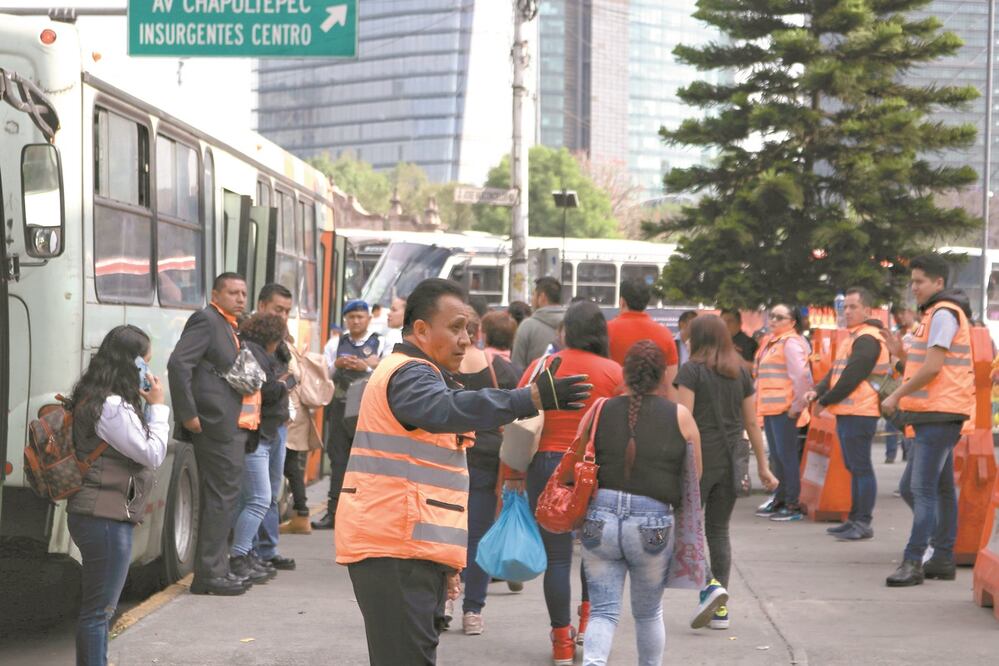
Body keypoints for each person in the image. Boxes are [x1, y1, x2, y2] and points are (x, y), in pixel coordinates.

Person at [334, 278, 591, 665]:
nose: (466, 340)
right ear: (420, 329)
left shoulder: (419, 374)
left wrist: (447, 565)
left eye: (469, 329)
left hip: (408, 551)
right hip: (395, 551)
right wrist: (529, 397)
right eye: (455, 328)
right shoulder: (409, 374)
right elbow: (447, 410)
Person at [511, 300, 624, 665]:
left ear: (565, 331)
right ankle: (589, 632)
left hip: (545, 467)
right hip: (595, 469)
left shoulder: (540, 366)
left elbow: (515, 414)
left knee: (556, 559)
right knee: (594, 555)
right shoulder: (612, 371)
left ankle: (561, 643)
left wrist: (511, 475)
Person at [580, 341, 702, 666]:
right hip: (652, 523)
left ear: (624, 372)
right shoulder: (680, 416)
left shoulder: (600, 410)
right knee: (648, 614)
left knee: (603, 611)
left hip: (599, 520)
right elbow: (695, 476)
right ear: (663, 375)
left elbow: (578, 459)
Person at [67, 325, 169, 666]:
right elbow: (152, 453)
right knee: (99, 612)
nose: (149, 373)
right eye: (145, 364)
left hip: (100, 514)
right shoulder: (111, 406)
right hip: (104, 518)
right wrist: (158, 408)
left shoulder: (100, 396)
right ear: (131, 363)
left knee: (98, 610)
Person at [676, 315, 778, 632]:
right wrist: (763, 466)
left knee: (684, 527)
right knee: (718, 531)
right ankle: (720, 610)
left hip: (699, 461)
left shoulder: (691, 371)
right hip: (733, 460)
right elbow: (751, 424)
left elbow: (684, 419)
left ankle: (710, 588)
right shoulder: (741, 373)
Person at [882, 254, 976, 587]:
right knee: (938, 489)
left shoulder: (944, 314)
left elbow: (934, 368)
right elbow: (934, 363)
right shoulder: (936, 315)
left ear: (939, 283)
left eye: (920, 281)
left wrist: (894, 395)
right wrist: (904, 356)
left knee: (918, 489)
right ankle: (941, 557)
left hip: (939, 413)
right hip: (937, 412)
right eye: (912, 281)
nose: (914, 287)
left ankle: (914, 560)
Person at [168, 272, 251, 596]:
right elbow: (179, 364)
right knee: (221, 498)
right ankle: (210, 574)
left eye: (243, 293)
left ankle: (217, 568)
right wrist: (189, 415)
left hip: (229, 423)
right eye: (233, 292)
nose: (240, 298)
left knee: (225, 498)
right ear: (215, 293)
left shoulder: (229, 324)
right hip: (214, 424)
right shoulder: (206, 320)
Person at [455, 308, 523, 636]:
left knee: (444, 533)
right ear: (477, 330)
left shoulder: (439, 367)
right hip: (485, 460)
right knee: (479, 536)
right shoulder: (500, 369)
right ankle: (473, 611)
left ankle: (443, 602)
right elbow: (518, 414)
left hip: (447, 458)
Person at [805, 288, 890, 541]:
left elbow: (852, 377)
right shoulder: (853, 337)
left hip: (860, 411)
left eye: (853, 307)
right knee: (854, 466)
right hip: (849, 410)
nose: (848, 311)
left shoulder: (867, 338)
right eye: (846, 307)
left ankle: (863, 522)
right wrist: (818, 391)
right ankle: (854, 518)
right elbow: (835, 373)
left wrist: (824, 401)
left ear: (867, 310)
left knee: (861, 467)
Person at [230, 312, 290, 583]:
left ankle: (247, 553)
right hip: (256, 434)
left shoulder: (259, 352)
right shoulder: (254, 353)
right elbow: (263, 389)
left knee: (253, 498)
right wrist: (286, 383)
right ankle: (239, 555)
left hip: (263, 432)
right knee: (259, 499)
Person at [313, 299, 382, 530]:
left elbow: (386, 371)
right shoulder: (335, 343)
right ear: (346, 320)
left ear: (368, 319)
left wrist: (366, 368)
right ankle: (333, 512)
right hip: (340, 407)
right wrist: (338, 365)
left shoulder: (381, 341)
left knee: (366, 463)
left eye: (360, 317)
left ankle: (363, 516)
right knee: (338, 461)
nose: (355, 321)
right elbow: (323, 374)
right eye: (351, 317)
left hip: (368, 409)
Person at [251, 283, 299, 568]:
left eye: (287, 311)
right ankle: (253, 551)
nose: (282, 316)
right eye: (277, 309)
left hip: (279, 423)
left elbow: (289, 378)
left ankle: (268, 550)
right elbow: (271, 385)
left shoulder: (280, 343)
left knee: (272, 490)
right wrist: (284, 383)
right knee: (258, 494)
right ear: (262, 307)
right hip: (258, 427)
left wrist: (285, 383)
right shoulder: (252, 341)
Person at [753, 304, 812, 522]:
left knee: (787, 458)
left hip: (785, 410)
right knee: (777, 457)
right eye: (772, 316)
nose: (773, 320)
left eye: (779, 317)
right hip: (771, 409)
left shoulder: (791, 343)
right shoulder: (772, 342)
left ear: (792, 321)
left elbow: (801, 378)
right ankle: (780, 498)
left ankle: (792, 504)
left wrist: (796, 407)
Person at [606, 278, 679, 399]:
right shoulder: (664, 334)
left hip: (614, 406)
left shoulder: (606, 331)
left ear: (622, 301)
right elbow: (672, 385)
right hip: (654, 409)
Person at [512, 277, 566, 369]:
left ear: (542, 297)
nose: (531, 300)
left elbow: (517, 366)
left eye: (533, 295)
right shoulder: (573, 324)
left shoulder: (527, 326)